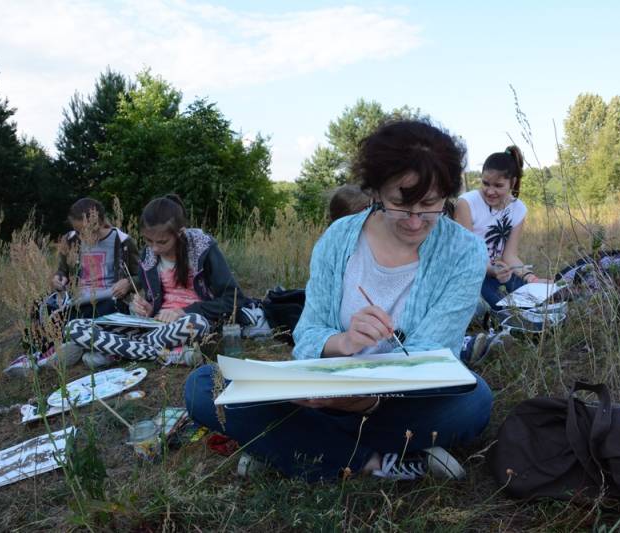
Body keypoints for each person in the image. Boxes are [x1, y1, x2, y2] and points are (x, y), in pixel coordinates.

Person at [185, 120, 493, 482]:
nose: (414, 221)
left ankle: (287, 446)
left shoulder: (464, 252)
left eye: (429, 205)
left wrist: (367, 399)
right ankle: (373, 462)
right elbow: (308, 333)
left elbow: (433, 356)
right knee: (203, 385)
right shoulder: (339, 238)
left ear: (447, 196)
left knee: (474, 401)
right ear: (376, 192)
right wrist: (343, 342)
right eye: (399, 204)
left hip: (396, 405)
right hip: (320, 393)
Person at [65, 194, 263, 368]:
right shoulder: (148, 257)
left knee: (196, 323)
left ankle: (120, 351)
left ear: (180, 233)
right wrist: (148, 308)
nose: (154, 248)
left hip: (191, 323)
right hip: (155, 328)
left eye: (162, 242)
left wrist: (183, 311)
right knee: (75, 327)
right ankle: (165, 354)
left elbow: (234, 299)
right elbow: (156, 306)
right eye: (148, 241)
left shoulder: (203, 249)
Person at [4, 198, 140, 377]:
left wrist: (129, 283)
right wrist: (58, 279)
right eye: (79, 231)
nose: (83, 235)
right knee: (40, 305)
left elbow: (140, 276)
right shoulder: (70, 240)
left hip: (108, 299)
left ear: (100, 222)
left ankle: (67, 347)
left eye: (88, 230)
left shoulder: (122, 241)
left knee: (104, 312)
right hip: (76, 300)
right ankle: (34, 355)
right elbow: (62, 271)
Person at [455, 146, 545, 312]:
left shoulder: (518, 209)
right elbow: (467, 256)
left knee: (535, 302)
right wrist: (491, 270)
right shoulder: (466, 203)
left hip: (498, 271)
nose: (490, 191)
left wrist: (531, 278)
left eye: (498, 185)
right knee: (505, 309)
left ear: (513, 183)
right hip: (470, 273)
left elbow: (510, 256)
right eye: (485, 183)